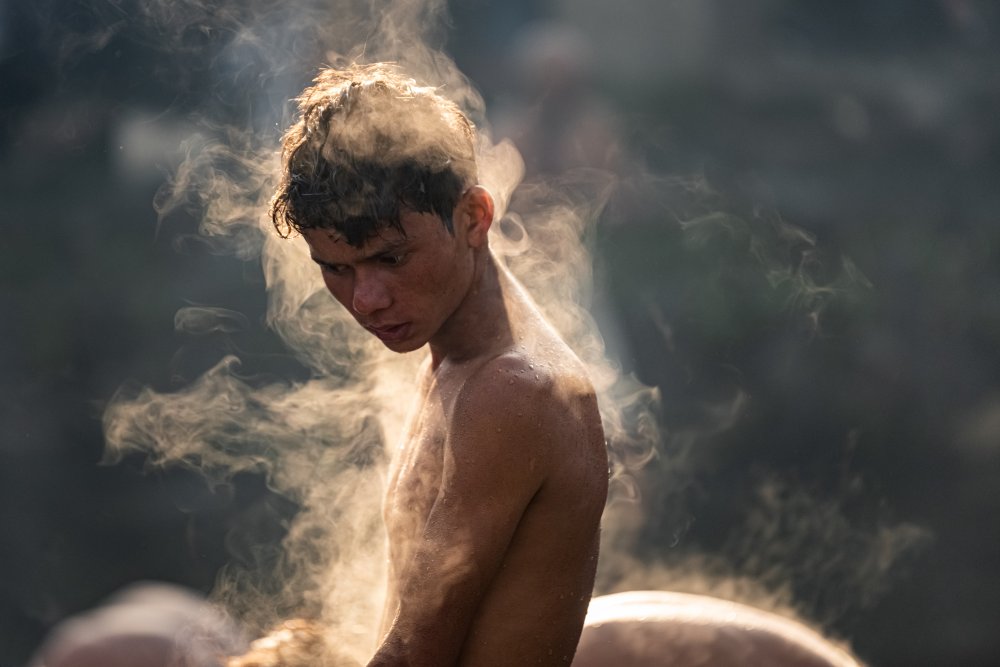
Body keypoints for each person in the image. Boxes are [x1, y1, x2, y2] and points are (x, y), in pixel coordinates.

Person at [259, 63, 610, 666]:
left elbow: (415, 656)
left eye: (391, 259)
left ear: (474, 217)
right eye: (336, 268)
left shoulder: (512, 393)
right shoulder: (457, 359)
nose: (366, 300)